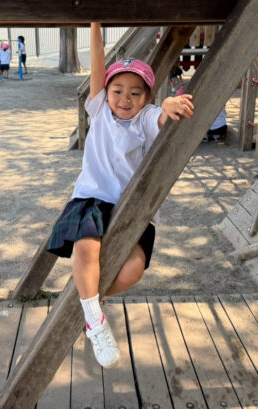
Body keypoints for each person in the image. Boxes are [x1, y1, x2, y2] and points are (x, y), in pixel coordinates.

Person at [47, 22, 194, 369]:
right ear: (105, 91)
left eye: (135, 93)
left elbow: (162, 118)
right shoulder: (99, 109)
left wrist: (169, 104)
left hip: (130, 208)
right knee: (86, 249)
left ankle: (87, 300)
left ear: (147, 98)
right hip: (92, 197)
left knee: (132, 270)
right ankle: (96, 322)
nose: (125, 99)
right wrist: (95, 26)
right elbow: (99, 62)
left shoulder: (145, 119)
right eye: (118, 91)